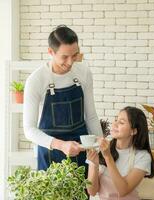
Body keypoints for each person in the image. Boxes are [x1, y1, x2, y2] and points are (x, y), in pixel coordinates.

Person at [23, 25, 103, 171]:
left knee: (82, 193)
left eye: (75, 55)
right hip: (50, 153)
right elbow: (29, 130)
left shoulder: (83, 72)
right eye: (64, 57)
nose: (71, 62)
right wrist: (61, 145)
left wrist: (99, 145)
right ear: (50, 52)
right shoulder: (36, 80)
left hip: (81, 150)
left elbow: (91, 116)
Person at [87, 106, 154, 200]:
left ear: (133, 131)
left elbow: (123, 190)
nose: (115, 124)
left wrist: (108, 157)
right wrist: (94, 165)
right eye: (116, 120)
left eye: (121, 122)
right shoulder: (101, 148)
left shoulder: (142, 157)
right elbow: (92, 191)